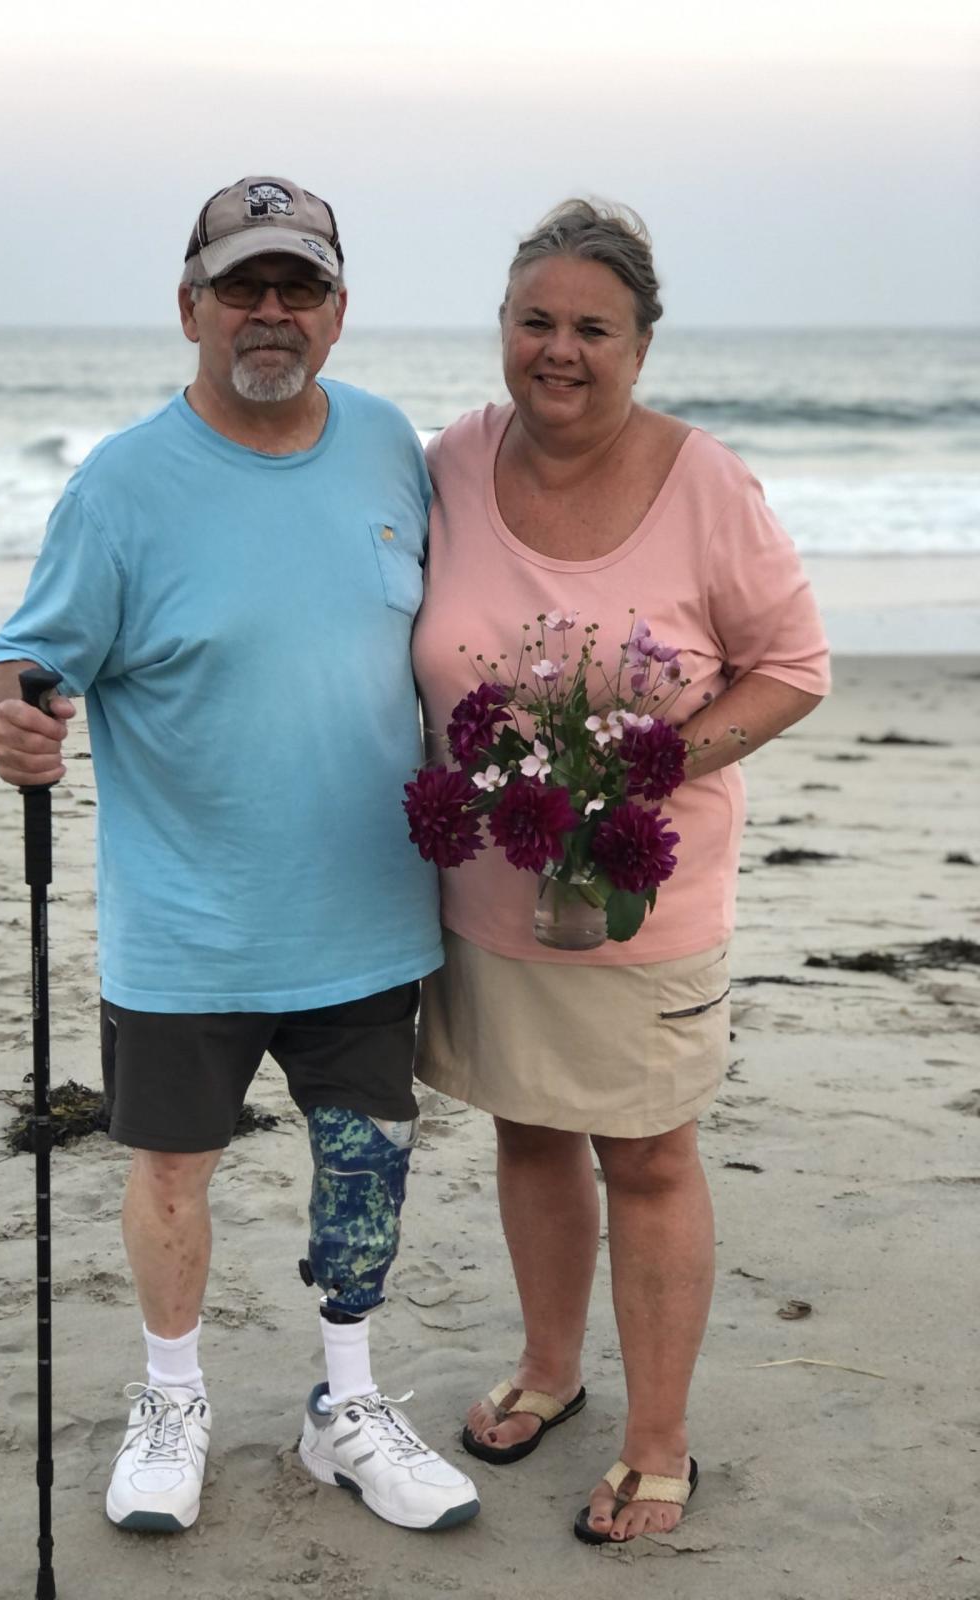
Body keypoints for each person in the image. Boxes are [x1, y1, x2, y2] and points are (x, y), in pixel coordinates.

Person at [0, 175, 480, 1536]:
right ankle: (171, 1396)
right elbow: (31, 656)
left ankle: (345, 1407)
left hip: (371, 910)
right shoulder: (123, 486)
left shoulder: (391, 447)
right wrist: (19, 721)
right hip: (188, 922)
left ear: (337, 310)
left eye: (300, 287)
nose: (272, 312)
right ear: (191, 305)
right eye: (244, 286)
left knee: (365, 1164)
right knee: (170, 1174)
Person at [411, 199, 830, 1546]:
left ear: (642, 346)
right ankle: (549, 1366)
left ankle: (660, 1442)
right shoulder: (448, 464)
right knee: (527, 1127)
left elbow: (794, 669)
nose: (560, 350)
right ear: (502, 330)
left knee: (647, 1154)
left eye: (593, 327)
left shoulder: (710, 484)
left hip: (645, 898)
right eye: (536, 321)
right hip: (489, 897)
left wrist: (651, 769)